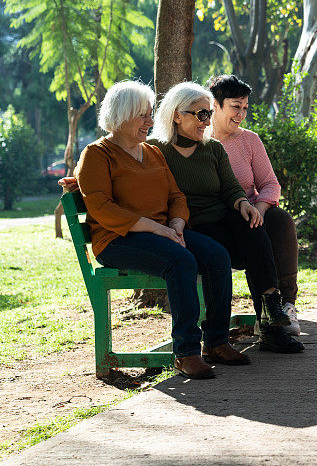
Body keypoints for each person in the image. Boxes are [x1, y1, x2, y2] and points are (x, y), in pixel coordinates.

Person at [74, 80, 249, 379]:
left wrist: (177, 223)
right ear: (120, 115)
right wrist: (154, 228)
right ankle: (186, 352)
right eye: (142, 115)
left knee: (216, 254)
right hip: (118, 239)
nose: (150, 121)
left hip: (162, 232)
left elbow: (176, 197)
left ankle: (217, 342)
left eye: (150, 113)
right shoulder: (97, 154)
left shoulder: (152, 153)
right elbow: (102, 208)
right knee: (181, 261)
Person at [149, 82, 304, 354]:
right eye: (201, 115)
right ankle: (251, 328)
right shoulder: (155, 150)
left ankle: (271, 313)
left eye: (208, 114)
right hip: (192, 224)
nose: (206, 121)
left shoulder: (213, 148)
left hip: (223, 215)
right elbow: (121, 165)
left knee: (253, 224)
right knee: (230, 248)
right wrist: (80, 180)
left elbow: (231, 185)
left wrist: (244, 202)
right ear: (176, 115)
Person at [206, 74, 302, 336]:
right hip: (218, 220)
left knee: (280, 220)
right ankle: (268, 314)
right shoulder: (200, 141)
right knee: (249, 229)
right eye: (235, 107)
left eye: (245, 108)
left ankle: (286, 305)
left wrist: (260, 208)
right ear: (215, 104)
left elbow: (270, 183)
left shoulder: (249, 140)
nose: (241, 114)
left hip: (252, 212)